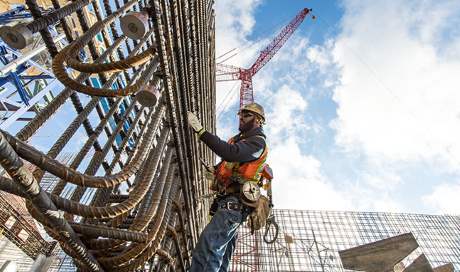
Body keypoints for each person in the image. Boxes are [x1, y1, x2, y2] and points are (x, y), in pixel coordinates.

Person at [187, 102, 268, 272]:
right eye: (240, 115)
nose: (241, 118)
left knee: (208, 249)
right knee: (221, 258)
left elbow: (230, 153)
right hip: (229, 205)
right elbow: (229, 164)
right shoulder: (239, 141)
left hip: (235, 205)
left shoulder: (257, 143)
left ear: (258, 121)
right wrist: (215, 171)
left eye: (246, 115)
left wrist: (201, 132)